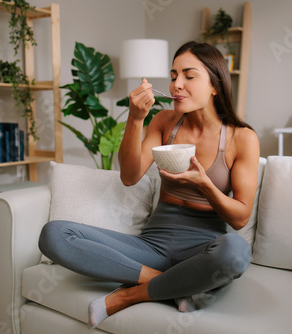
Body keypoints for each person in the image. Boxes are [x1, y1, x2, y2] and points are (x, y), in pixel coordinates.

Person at [38, 41, 260, 329]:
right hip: (151, 245)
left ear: (215, 85)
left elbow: (241, 217)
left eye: (189, 76)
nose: (176, 85)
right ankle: (172, 285)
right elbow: (129, 176)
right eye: (173, 76)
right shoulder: (166, 120)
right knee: (54, 234)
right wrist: (136, 118)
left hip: (202, 250)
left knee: (235, 252)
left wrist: (205, 185)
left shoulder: (241, 138)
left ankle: (129, 295)